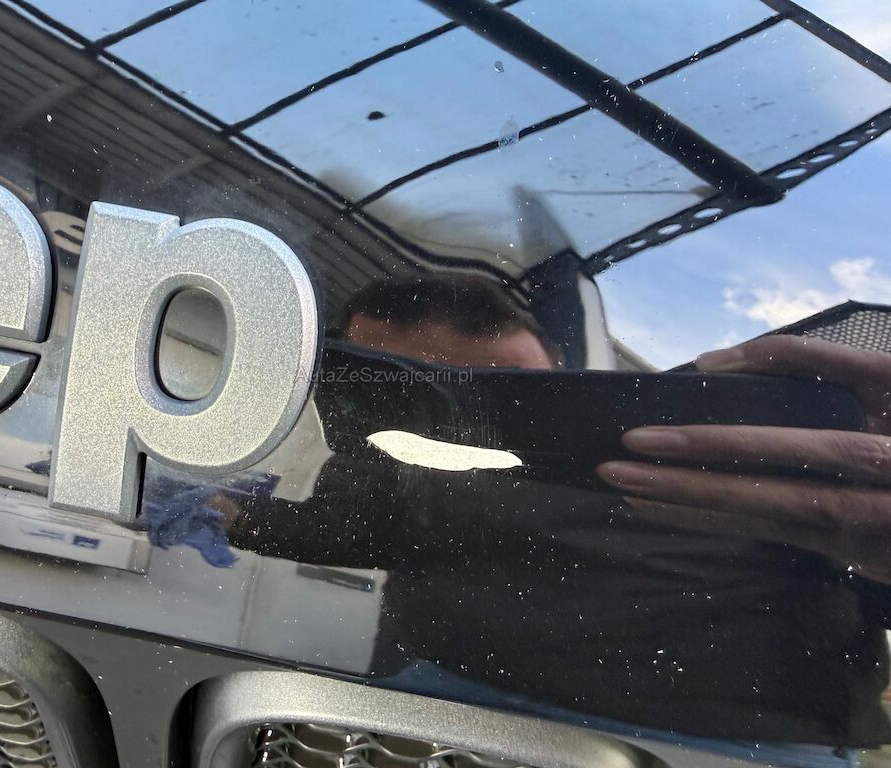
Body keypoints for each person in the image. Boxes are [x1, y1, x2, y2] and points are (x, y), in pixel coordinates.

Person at [223, 275, 891, 750]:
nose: (467, 423)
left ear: (562, 368)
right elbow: (359, 530)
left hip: (737, 737)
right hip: (439, 707)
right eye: (414, 393)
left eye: (514, 391)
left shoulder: (738, 442)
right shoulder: (381, 451)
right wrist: (232, 515)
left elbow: (866, 585)